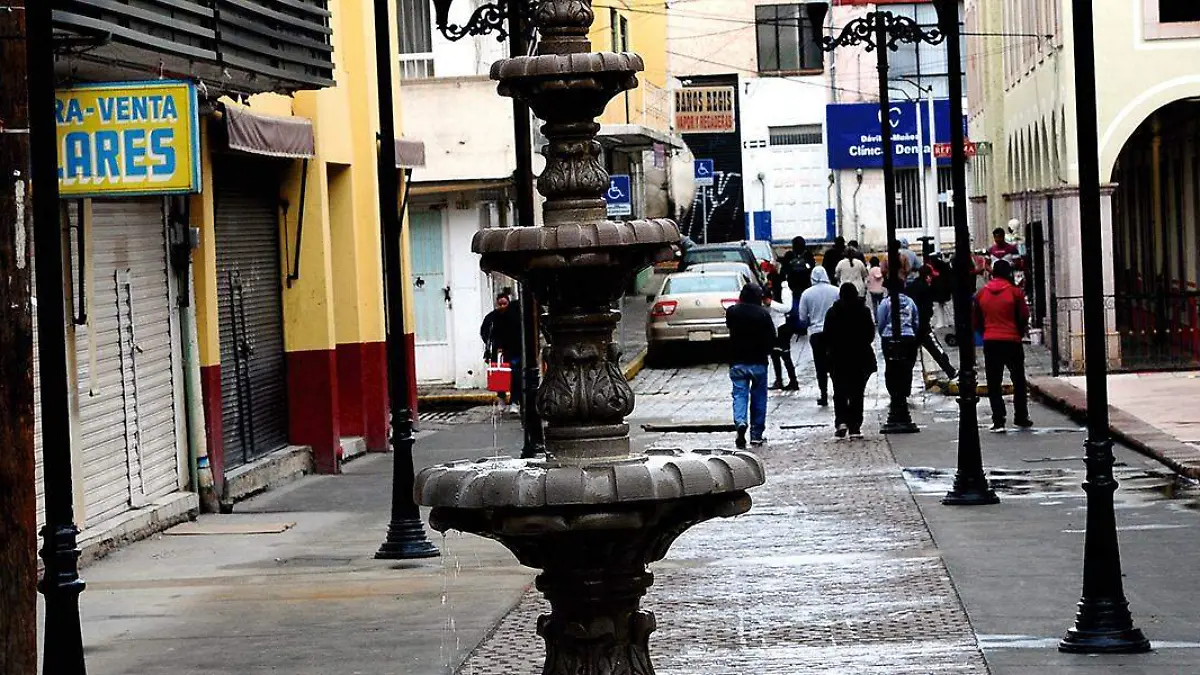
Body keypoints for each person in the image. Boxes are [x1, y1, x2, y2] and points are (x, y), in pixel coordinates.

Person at [974, 259, 1032, 432]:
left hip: (991, 340)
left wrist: (986, 332)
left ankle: (998, 419)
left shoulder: (982, 293)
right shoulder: (1015, 293)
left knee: (994, 381)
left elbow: (976, 320)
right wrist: (1019, 332)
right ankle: (1021, 416)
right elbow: (1023, 315)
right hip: (1012, 340)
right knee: (1018, 379)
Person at [823, 282, 878, 439]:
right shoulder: (863, 311)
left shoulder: (833, 312)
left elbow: (827, 334)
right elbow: (870, 334)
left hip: (837, 357)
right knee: (857, 392)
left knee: (839, 391)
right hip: (860, 356)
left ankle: (841, 421)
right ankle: (855, 426)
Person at [725, 283, 776, 449]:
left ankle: (740, 422)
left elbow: (730, 326)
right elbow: (771, 336)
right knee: (759, 397)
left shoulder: (732, 312)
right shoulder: (762, 314)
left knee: (739, 394)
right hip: (759, 361)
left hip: (737, 361)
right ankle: (756, 434)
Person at [877, 281, 920, 419]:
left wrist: (884, 334)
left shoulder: (885, 303)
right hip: (908, 337)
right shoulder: (910, 302)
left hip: (889, 337)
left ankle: (894, 393)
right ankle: (904, 391)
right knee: (907, 366)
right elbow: (916, 320)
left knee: (891, 366)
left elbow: (881, 321)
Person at [797, 266, 839, 407]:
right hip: (834, 332)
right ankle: (839, 392)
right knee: (835, 364)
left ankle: (823, 394)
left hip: (816, 333)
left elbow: (802, 317)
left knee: (820, 365)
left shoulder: (807, 294)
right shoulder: (836, 291)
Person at [907, 264, 957, 380]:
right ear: (927, 277)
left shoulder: (911, 287)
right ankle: (950, 371)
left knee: (910, 356)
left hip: (911, 326)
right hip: (923, 326)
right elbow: (928, 309)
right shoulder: (925, 289)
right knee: (937, 350)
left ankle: (904, 379)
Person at [480, 291, 523, 413]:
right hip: (498, 352)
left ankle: (515, 401)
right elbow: (485, 333)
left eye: (504, 304)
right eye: (500, 304)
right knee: (499, 376)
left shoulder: (515, 316)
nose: (502, 307)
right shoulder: (492, 318)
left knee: (515, 376)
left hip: (514, 351)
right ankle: (502, 398)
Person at [765, 280, 798, 390]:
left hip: (783, 325)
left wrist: (771, 303)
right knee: (774, 354)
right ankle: (778, 380)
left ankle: (793, 381)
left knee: (785, 354)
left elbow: (787, 308)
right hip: (772, 327)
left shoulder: (784, 291)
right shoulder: (768, 291)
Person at [779, 236, 816, 321]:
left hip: (793, 285)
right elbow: (812, 269)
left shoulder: (789, 255)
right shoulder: (808, 255)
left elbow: (783, 271)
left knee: (794, 306)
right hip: (804, 285)